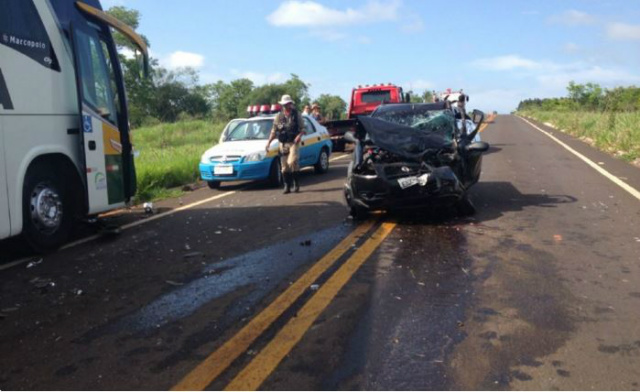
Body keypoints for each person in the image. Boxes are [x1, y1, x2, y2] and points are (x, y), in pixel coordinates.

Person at [266, 94, 304, 194]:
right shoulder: (279, 116)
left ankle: (296, 183)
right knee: (284, 166)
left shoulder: (296, 114)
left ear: (291, 104)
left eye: (288, 103)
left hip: (293, 143)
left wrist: (298, 136)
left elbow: (303, 129)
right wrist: (268, 143)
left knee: (292, 162)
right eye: (284, 104)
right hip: (283, 143)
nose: (286, 105)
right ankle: (287, 186)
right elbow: (274, 131)